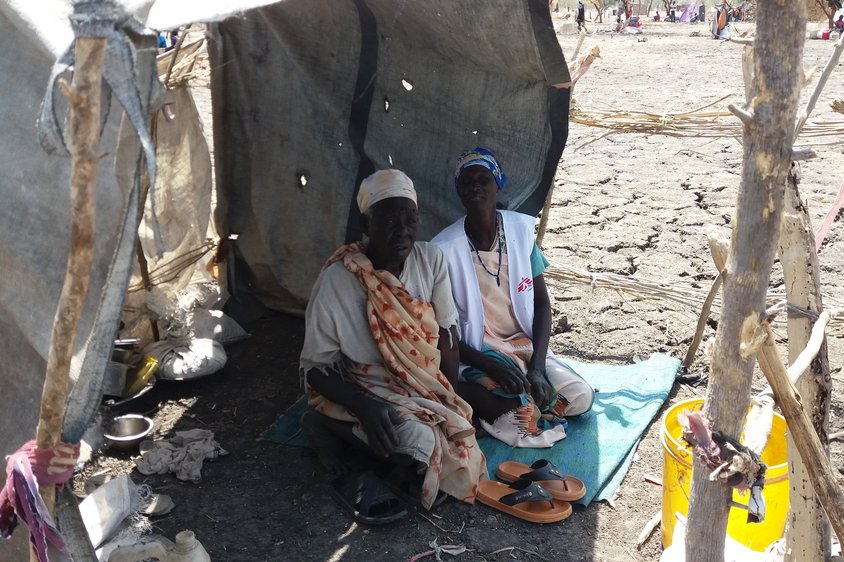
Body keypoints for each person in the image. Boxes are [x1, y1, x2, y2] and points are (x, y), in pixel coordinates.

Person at [300, 169, 485, 516]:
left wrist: (449, 400)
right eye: (388, 219)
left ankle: (369, 445)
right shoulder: (338, 280)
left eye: (410, 220)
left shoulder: (430, 260)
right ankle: (328, 425)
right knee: (422, 443)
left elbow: (447, 337)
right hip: (365, 382)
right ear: (365, 224)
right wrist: (364, 407)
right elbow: (314, 369)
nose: (402, 231)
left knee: (458, 428)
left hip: (422, 382)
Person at [432, 148, 594, 448]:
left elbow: (542, 304)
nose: (476, 186)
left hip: (523, 346)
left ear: (498, 184)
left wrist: (537, 367)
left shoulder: (519, 231)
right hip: (480, 352)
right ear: (459, 191)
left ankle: (526, 394)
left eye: (484, 178)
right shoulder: (443, 249)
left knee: (581, 396)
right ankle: (496, 397)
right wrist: (491, 366)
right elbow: (443, 331)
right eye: (467, 182)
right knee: (519, 416)